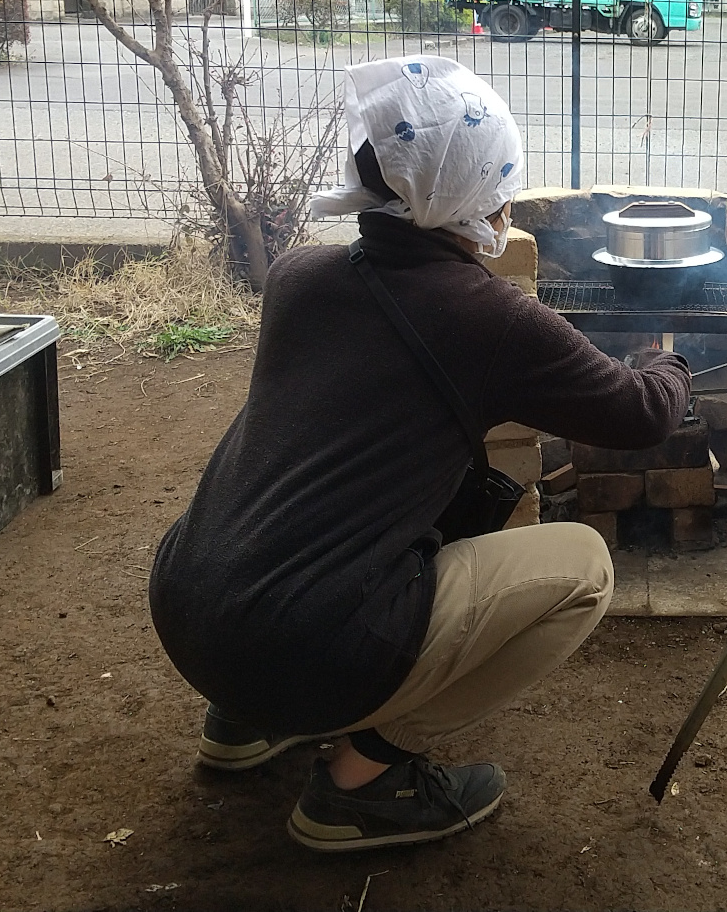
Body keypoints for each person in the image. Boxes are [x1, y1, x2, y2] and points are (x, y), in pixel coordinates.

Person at [149, 56, 690, 852]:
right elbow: (641, 413)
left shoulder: (301, 274)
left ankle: (250, 723)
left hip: (192, 609)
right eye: (499, 182)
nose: (504, 203)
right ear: (470, 194)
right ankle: (364, 777)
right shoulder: (486, 317)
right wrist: (669, 360)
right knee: (584, 567)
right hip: (303, 642)